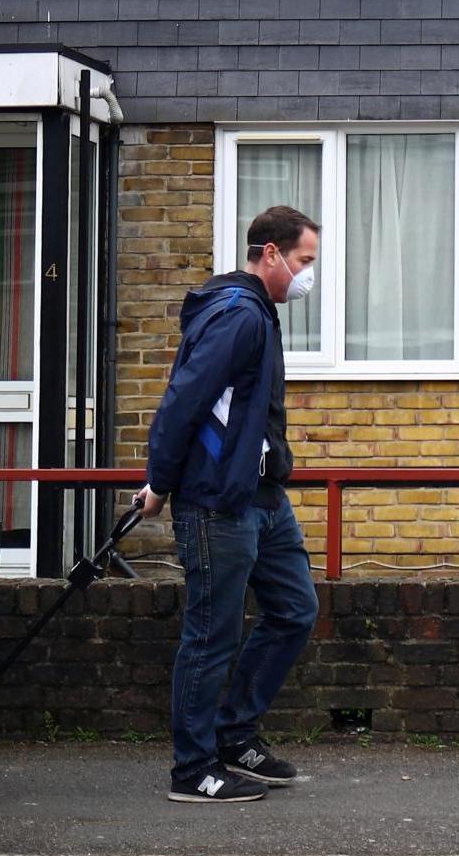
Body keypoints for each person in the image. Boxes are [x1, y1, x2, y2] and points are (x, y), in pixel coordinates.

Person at [134, 206, 321, 803]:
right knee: (211, 635)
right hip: (218, 502)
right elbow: (183, 399)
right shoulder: (238, 315)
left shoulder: (257, 314)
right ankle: (193, 768)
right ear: (270, 254)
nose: (307, 275)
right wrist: (160, 483)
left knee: (294, 608)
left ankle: (236, 735)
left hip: (261, 497)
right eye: (303, 262)